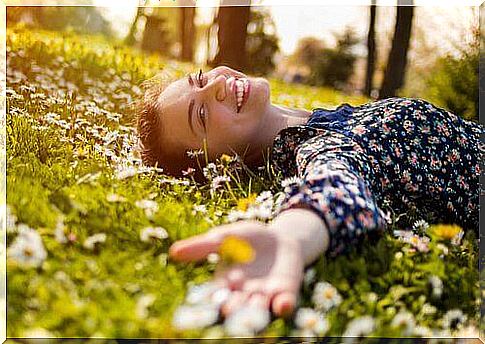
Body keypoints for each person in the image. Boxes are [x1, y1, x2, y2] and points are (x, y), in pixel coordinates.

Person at [136, 65, 483, 318]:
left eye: (200, 78)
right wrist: (289, 238)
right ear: (221, 165)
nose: (216, 87)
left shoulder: (321, 120)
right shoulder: (316, 147)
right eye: (202, 114)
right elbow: (333, 185)